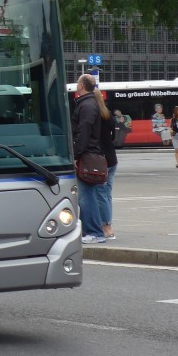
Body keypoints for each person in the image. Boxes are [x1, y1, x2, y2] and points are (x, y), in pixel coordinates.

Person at [71, 73, 106, 243]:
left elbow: (83, 132)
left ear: (81, 86)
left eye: (78, 83)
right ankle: (90, 231)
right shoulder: (90, 104)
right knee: (87, 195)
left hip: (86, 155)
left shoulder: (86, 106)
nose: (76, 85)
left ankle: (94, 232)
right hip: (89, 153)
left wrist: (76, 154)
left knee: (86, 197)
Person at [97, 93, 119, 241]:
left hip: (101, 159)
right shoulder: (108, 114)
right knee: (107, 194)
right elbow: (112, 136)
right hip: (112, 158)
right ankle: (107, 224)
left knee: (101, 194)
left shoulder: (94, 116)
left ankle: (106, 227)